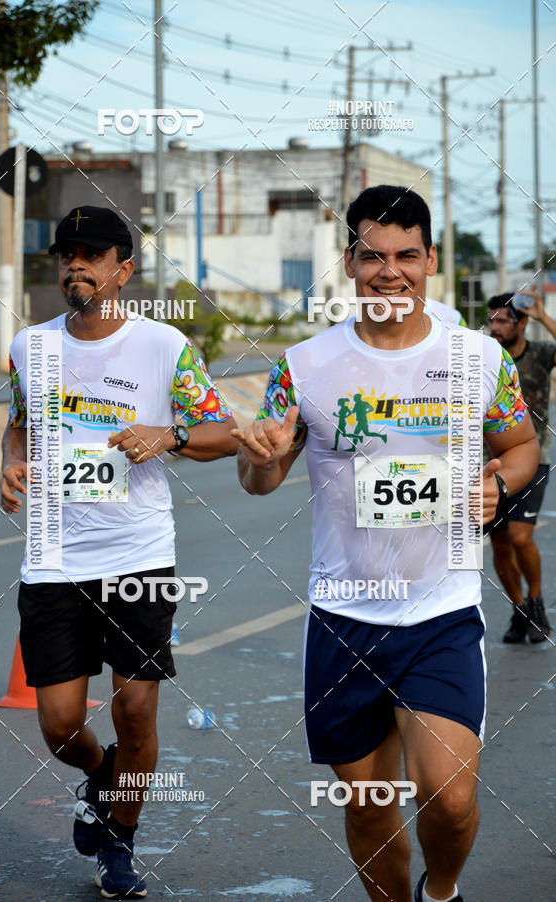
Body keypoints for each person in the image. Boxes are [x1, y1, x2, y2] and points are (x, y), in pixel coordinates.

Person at [232, 184, 539, 902]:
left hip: (441, 613)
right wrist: (265, 455)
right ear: (350, 261)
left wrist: (501, 486)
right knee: (371, 813)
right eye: (373, 256)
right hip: (343, 619)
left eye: (406, 255)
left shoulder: (477, 358)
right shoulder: (302, 367)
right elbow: (257, 479)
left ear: (430, 260)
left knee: (450, 800)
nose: (390, 272)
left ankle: (443, 892)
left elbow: (520, 444)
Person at [0, 205, 237, 899]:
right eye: (66, 252)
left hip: (137, 553)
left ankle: (121, 845)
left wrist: (169, 435)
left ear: (122, 270)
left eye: (91, 253)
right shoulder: (29, 348)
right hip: (53, 558)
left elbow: (222, 429)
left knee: (136, 712)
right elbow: (18, 425)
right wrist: (15, 463)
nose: (75, 263)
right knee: (59, 724)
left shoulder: (163, 345)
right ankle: (101, 777)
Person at [487, 290, 553, 643]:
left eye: (503, 320)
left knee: (520, 536)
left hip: (532, 457)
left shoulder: (541, 354)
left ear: (521, 323)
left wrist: (544, 317)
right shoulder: (482, 360)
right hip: (488, 463)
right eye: (492, 320)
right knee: (499, 543)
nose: (495, 327)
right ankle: (520, 610)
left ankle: (537, 600)